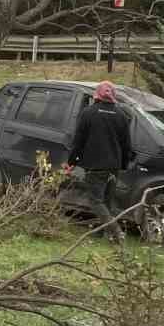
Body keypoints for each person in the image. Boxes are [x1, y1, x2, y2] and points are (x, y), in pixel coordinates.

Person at [67, 81, 133, 240]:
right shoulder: (121, 116)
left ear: (96, 95)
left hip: (95, 166)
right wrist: (123, 165)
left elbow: (79, 141)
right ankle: (103, 234)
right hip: (114, 167)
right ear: (113, 96)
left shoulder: (88, 113)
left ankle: (116, 231)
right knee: (106, 202)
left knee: (96, 201)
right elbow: (126, 145)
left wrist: (72, 162)